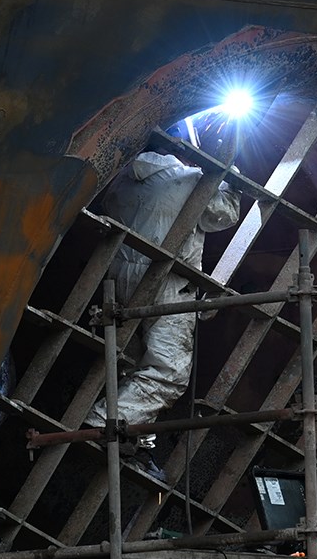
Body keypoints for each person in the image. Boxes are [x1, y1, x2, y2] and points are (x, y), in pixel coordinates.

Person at [82, 149, 241, 477]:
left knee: (135, 365)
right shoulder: (193, 180)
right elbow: (222, 216)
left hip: (120, 271)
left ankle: (137, 442)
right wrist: (231, 181)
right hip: (164, 277)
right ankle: (103, 424)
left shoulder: (127, 172)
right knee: (169, 372)